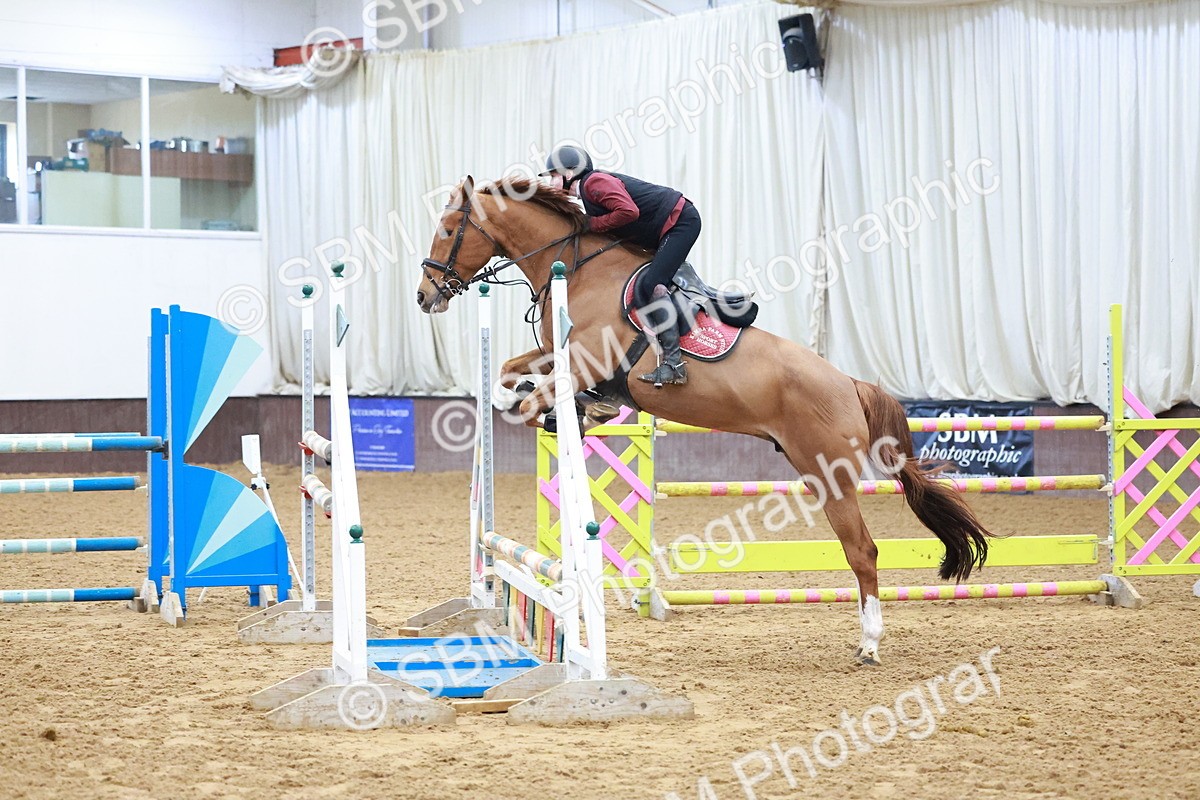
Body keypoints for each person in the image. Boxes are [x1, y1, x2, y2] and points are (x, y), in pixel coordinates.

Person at [541, 145, 699, 387]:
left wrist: (590, 225)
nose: (550, 182)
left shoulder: (593, 183)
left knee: (651, 285)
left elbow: (628, 211)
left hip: (680, 222)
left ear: (569, 174)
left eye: (553, 175)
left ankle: (674, 364)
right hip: (665, 226)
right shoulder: (588, 192)